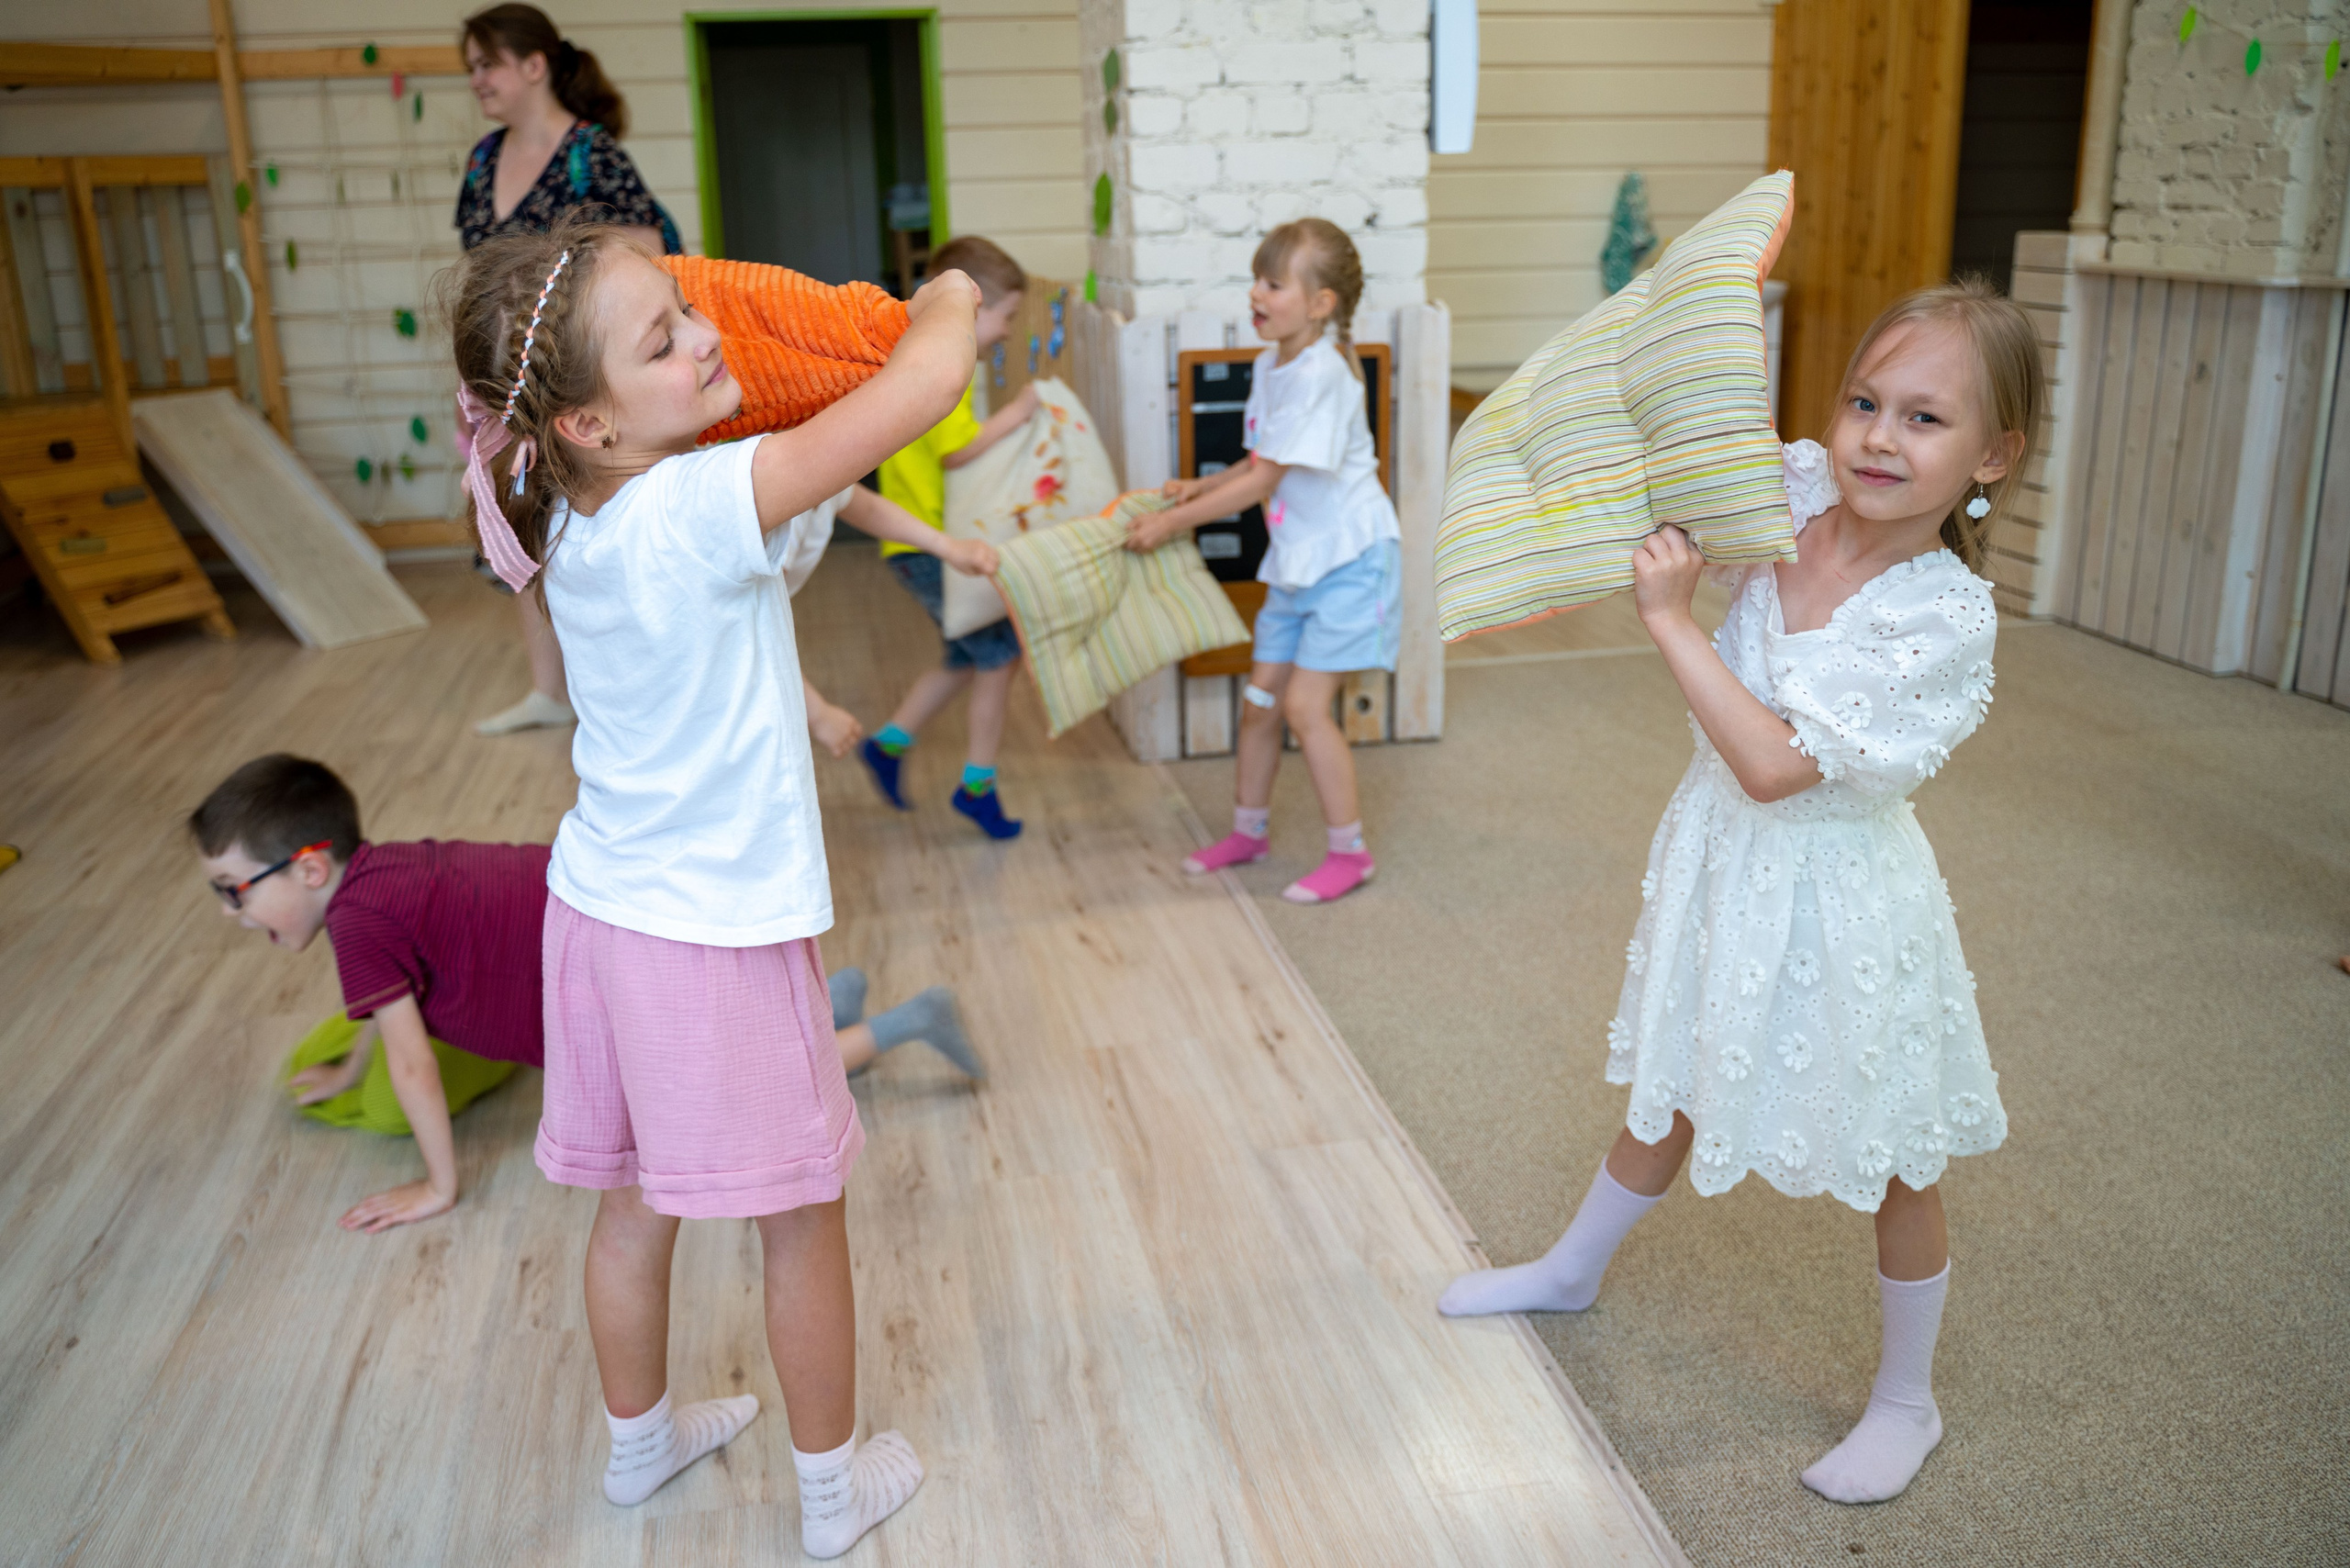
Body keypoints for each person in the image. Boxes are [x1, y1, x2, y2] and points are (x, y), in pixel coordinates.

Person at [1437, 280, 2043, 1506]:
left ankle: (1905, 1401)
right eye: (1864, 400)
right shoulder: (1801, 489)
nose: (1877, 436)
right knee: (1674, 1084)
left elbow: (1770, 764)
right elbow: (1670, 463)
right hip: (1723, 867)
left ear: (1994, 455)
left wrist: (1670, 621)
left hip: (1841, 898)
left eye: (1925, 420)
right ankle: (1571, 1268)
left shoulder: (1944, 617)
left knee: (1895, 1155)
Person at [442, 215, 977, 1551]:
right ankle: (831, 1493)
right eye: (663, 338)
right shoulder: (688, 506)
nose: (706, 337)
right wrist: (953, 295)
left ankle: (640, 1450)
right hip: (712, 941)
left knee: (636, 1204)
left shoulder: (567, 515)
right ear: (585, 422)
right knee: (802, 1221)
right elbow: (922, 386)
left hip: (605, 915)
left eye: (686, 311)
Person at [190, 753, 985, 1233]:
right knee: (714, 1046)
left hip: (594, 971)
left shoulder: (356, 923)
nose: (231, 914)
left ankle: (901, 1023)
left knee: (719, 1100)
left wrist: (439, 1187)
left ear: (309, 868)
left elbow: (413, 1067)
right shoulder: (375, 883)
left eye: (234, 891)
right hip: (597, 911)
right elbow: (384, 1002)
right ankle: (825, 1007)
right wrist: (345, 1068)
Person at [1124, 218, 1399, 904]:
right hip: (1298, 563)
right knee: (1260, 702)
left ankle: (1350, 852)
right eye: (1256, 278)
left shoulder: (1323, 376)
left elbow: (1263, 482)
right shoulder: (1271, 366)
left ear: (1320, 303)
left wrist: (1170, 522)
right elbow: (1257, 462)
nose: (1256, 293)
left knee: (1306, 708)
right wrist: (1199, 486)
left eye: (1273, 283)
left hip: (1349, 561)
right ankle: (1248, 832)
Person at [456, 3, 682, 739]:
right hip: (513, 387)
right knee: (523, 526)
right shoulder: (484, 159)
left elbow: (650, 255)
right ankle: (549, 692)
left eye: (487, 64)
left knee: (601, 529)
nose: (477, 80)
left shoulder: (592, 153)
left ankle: (630, 693)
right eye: (471, 69)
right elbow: (478, 274)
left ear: (534, 65)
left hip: (586, 384)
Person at [857, 235, 1039, 840]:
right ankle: (976, 785)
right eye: (1007, 317)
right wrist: (1016, 415)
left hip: (915, 544)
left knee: (966, 656)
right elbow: (958, 451)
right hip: (925, 544)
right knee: (1001, 653)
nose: (1008, 332)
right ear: (976, 305)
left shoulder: (918, 353)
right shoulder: (940, 366)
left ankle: (888, 744)